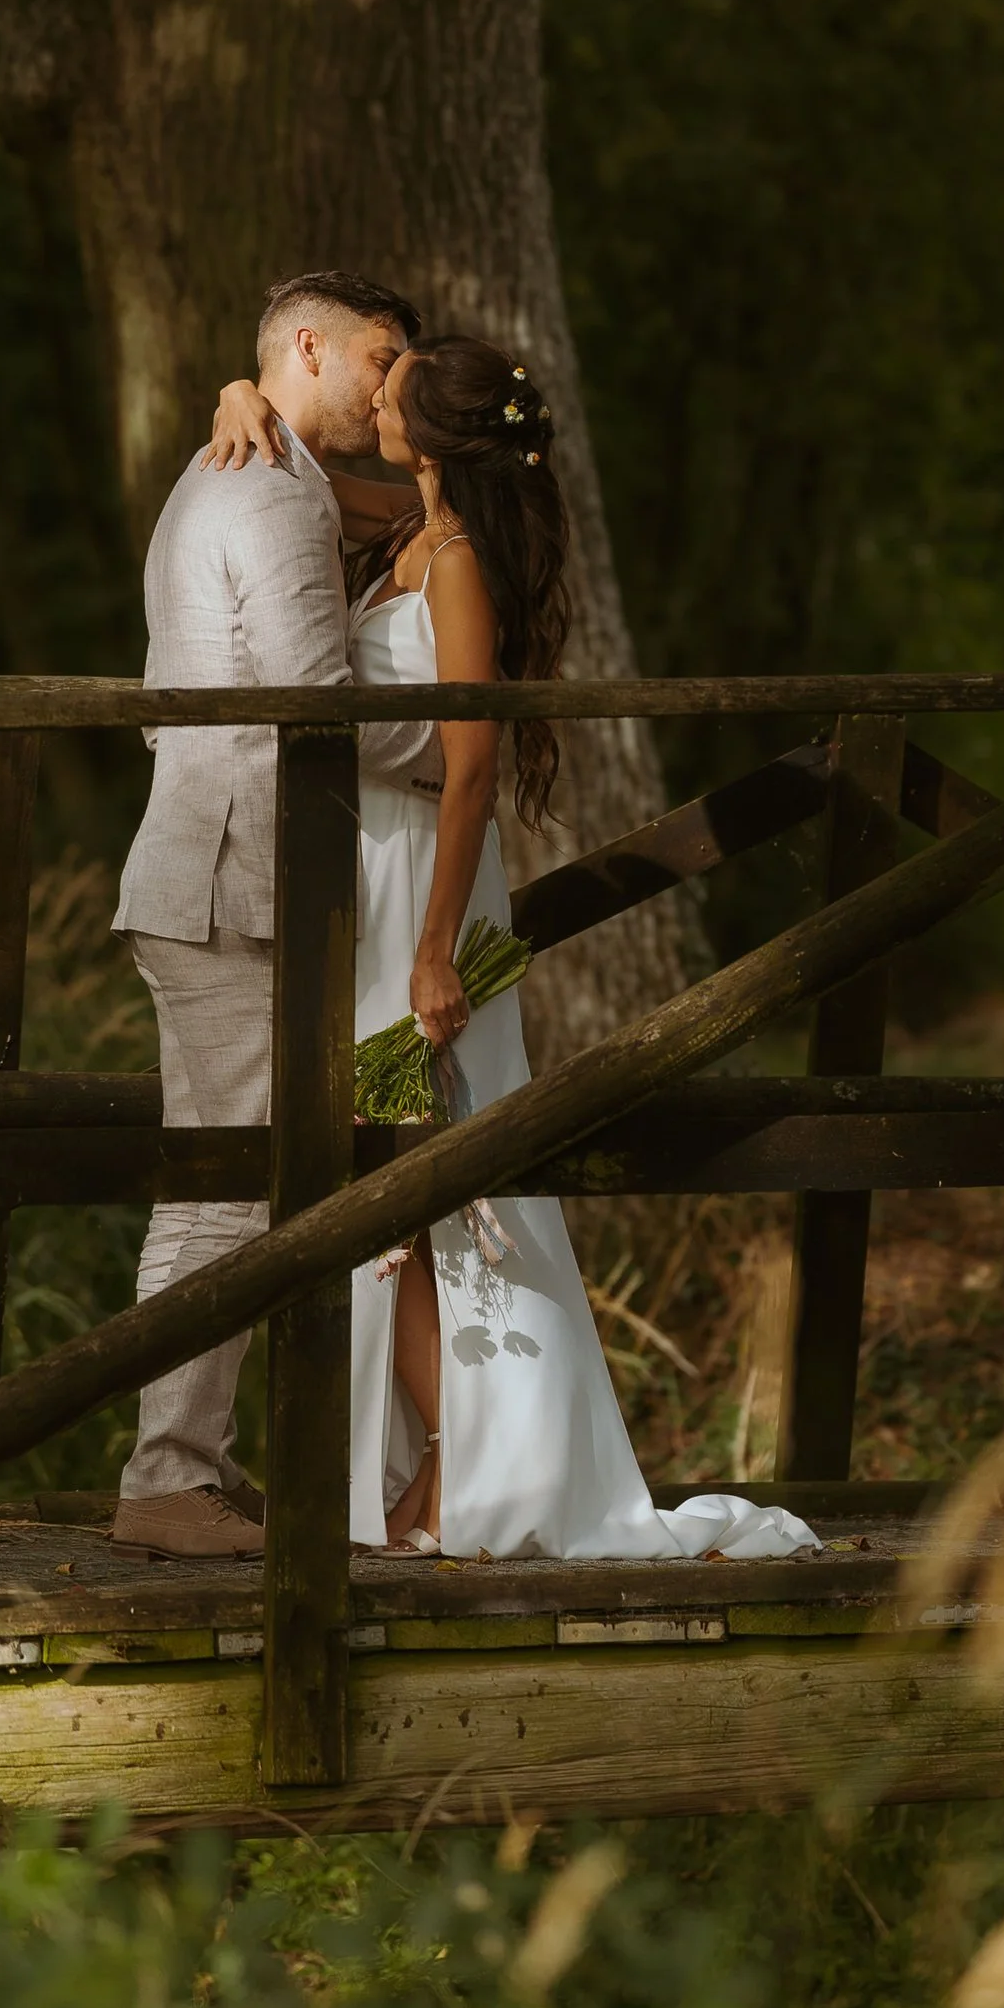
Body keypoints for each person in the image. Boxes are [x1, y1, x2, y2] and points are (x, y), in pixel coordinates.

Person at [211, 336, 818, 1565]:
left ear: (430, 436)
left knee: (436, 1181)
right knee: (386, 1187)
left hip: (423, 883)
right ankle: (446, 1464)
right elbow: (309, 482)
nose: (374, 392)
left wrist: (438, 950)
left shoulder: (458, 566)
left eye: (393, 385)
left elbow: (473, 764)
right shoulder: (415, 529)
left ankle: (480, 1470)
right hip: (373, 882)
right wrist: (236, 393)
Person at [109, 269, 436, 1559]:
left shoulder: (255, 468)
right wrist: (461, 754)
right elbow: (317, 697)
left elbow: (438, 488)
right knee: (220, 1194)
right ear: (312, 346)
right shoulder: (268, 491)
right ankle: (167, 1479)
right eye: (379, 358)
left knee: (242, 1181)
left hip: (220, 876)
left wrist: (244, 392)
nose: (391, 383)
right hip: (228, 880)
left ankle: (201, 1466)